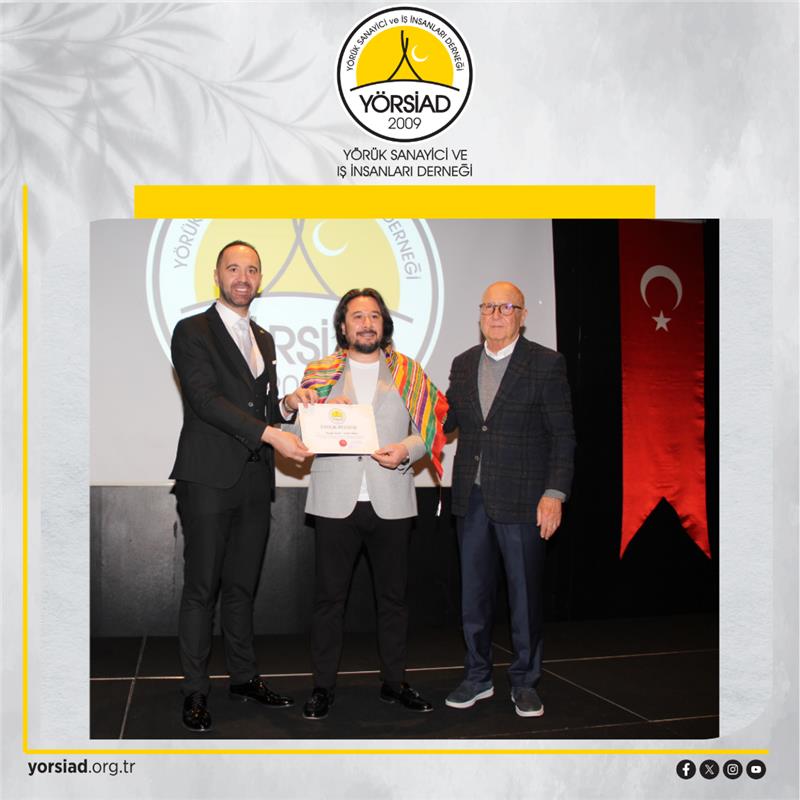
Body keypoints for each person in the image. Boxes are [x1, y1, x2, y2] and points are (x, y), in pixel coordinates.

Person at [170, 240, 316, 732]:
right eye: (233, 268)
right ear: (217, 275)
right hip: (208, 478)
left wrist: (288, 406)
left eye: (252, 269)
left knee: (241, 588)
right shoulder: (192, 331)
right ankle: (195, 691)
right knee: (202, 589)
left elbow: (260, 408)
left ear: (260, 279)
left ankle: (244, 677)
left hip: (254, 479)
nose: (243, 277)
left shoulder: (264, 339)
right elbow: (206, 401)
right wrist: (272, 434)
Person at [293, 288, 448, 720]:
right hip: (335, 501)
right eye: (358, 316)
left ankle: (394, 683)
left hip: (391, 498)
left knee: (393, 600)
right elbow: (299, 430)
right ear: (343, 326)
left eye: (374, 316)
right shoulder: (320, 372)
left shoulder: (408, 372)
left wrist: (407, 450)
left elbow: (430, 429)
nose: (366, 323)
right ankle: (322, 687)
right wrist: (321, 410)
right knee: (329, 601)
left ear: (384, 324)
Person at [443, 281, 575, 718]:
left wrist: (554, 494)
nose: (496, 315)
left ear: (522, 315)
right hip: (472, 499)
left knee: (524, 598)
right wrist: (415, 403)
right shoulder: (463, 363)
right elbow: (448, 422)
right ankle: (477, 676)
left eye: (506, 307)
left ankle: (524, 681)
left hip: (524, 500)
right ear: (480, 313)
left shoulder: (546, 364)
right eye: (489, 307)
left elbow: (563, 436)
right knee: (473, 597)